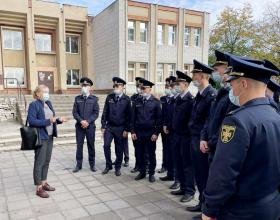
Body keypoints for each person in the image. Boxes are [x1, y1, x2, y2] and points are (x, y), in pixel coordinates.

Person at [202, 56, 280, 220]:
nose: (231, 89)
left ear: (243, 84)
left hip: (241, 210)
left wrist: (209, 208)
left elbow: (223, 173)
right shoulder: (275, 115)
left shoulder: (237, 120)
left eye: (233, 84)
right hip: (270, 205)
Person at [187, 60, 216, 212]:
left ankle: (205, 206)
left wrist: (204, 139)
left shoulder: (211, 95)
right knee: (198, 173)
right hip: (194, 138)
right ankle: (200, 202)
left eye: (195, 76)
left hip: (201, 140)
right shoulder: (200, 94)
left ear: (203, 76)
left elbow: (209, 121)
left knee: (204, 174)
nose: (193, 79)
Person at [27, 85, 67, 198]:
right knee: (39, 162)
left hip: (49, 136)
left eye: (47, 92)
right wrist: (49, 120)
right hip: (41, 137)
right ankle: (38, 187)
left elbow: (52, 120)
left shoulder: (48, 103)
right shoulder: (34, 105)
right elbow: (32, 121)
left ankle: (44, 182)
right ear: (38, 93)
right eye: (44, 92)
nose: (47, 94)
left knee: (46, 161)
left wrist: (59, 120)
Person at [200, 50, 237, 163]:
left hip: (219, 148)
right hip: (211, 146)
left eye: (216, 69)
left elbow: (226, 125)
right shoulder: (222, 92)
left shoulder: (233, 96)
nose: (215, 73)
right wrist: (203, 138)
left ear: (227, 68)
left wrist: (210, 143)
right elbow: (210, 118)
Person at [170, 71, 195, 203]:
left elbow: (192, 120)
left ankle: (190, 191)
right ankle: (183, 187)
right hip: (176, 135)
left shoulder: (190, 100)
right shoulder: (178, 98)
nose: (176, 86)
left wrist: (186, 133)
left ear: (185, 84)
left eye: (178, 84)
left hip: (186, 136)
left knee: (187, 164)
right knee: (178, 162)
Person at [131, 79, 162, 183]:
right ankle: (142, 171)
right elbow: (133, 118)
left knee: (151, 153)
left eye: (144, 88)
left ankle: (151, 173)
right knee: (140, 153)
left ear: (150, 89)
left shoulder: (156, 102)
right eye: (141, 88)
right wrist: (133, 131)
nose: (142, 90)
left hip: (150, 133)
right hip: (139, 132)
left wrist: (156, 133)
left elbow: (159, 119)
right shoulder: (136, 102)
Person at [101, 77, 131, 176]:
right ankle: (108, 165)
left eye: (118, 86)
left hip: (121, 128)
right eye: (114, 86)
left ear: (123, 87)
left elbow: (129, 116)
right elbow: (105, 112)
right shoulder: (110, 97)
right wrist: (103, 125)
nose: (116, 88)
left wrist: (127, 129)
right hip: (109, 127)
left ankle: (117, 167)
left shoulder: (127, 99)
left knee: (119, 148)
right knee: (106, 145)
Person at [72, 77, 99, 173]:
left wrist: (87, 121)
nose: (84, 87)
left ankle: (92, 164)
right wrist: (81, 121)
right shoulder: (77, 98)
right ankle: (78, 165)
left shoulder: (94, 99)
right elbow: (75, 113)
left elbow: (96, 113)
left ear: (90, 87)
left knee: (91, 145)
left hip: (90, 126)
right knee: (79, 146)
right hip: (79, 127)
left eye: (86, 85)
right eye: (83, 85)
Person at [160, 76, 178, 183]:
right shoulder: (165, 99)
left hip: (175, 130)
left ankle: (176, 177)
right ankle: (169, 172)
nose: (168, 88)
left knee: (174, 153)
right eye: (167, 86)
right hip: (166, 128)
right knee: (166, 150)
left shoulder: (177, 99)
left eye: (171, 86)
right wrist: (164, 125)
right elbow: (164, 114)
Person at [130, 77, 145, 173]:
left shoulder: (147, 98)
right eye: (137, 86)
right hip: (135, 128)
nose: (138, 88)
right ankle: (137, 165)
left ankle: (145, 166)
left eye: (139, 86)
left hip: (144, 128)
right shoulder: (133, 98)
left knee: (146, 150)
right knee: (137, 149)